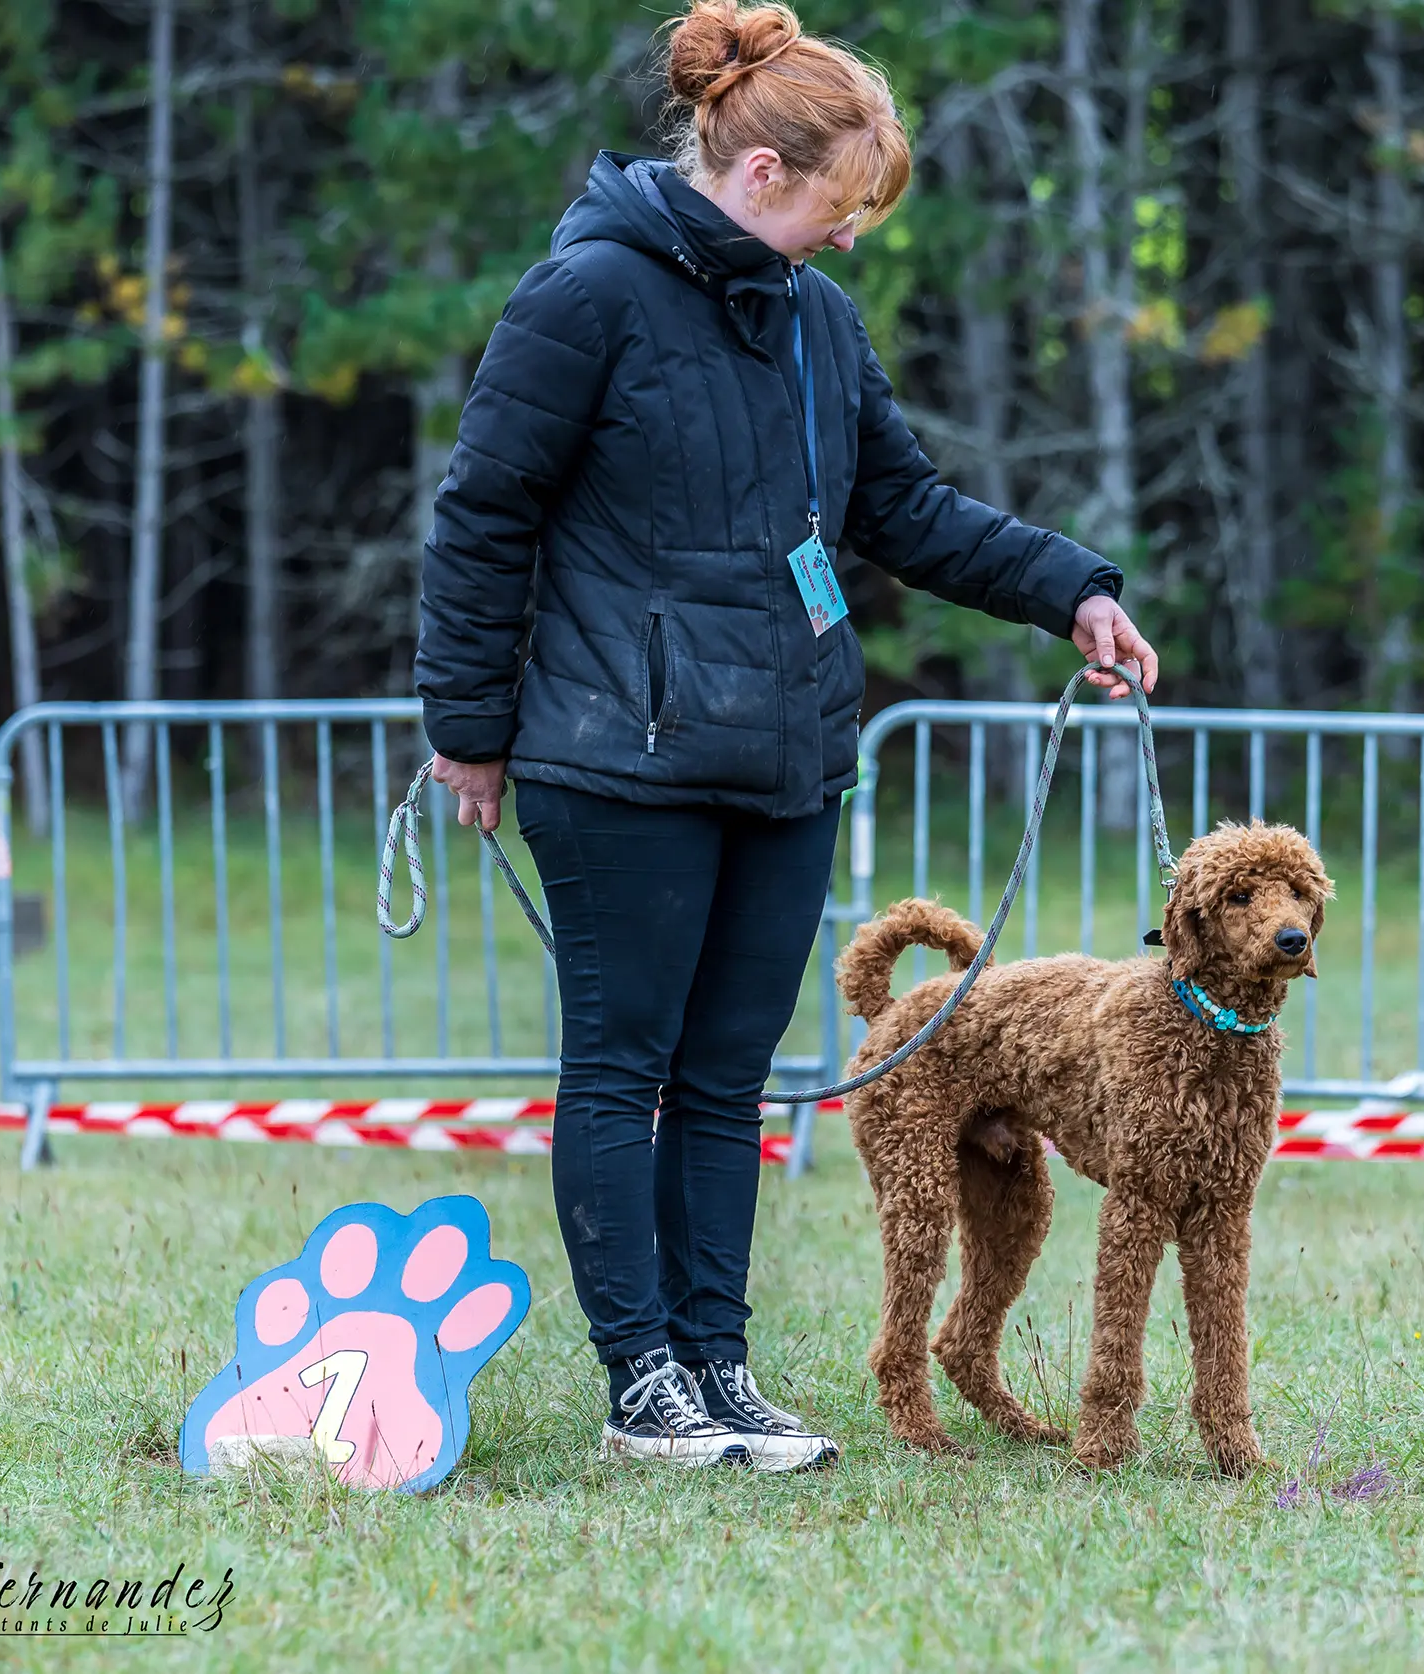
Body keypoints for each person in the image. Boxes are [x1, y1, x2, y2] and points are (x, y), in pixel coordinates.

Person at [415, 0, 1158, 1474]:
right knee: (623, 1065)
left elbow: (906, 512)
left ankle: (717, 1364)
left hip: (786, 757)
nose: (845, 242)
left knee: (728, 1076)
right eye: (836, 209)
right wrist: (469, 729)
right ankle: (642, 1383)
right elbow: (480, 515)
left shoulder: (819, 322)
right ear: (760, 179)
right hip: (609, 757)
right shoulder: (584, 299)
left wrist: (1069, 584)